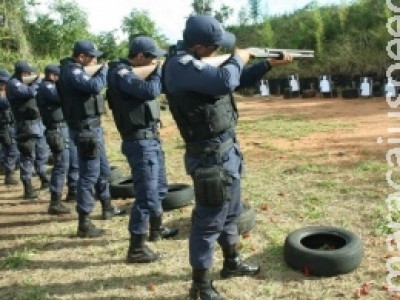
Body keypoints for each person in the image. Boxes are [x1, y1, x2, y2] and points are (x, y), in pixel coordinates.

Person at [163, 14, 293, 299]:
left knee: (231, 214)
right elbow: (225, 79)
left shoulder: (198, 64)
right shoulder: (179, 66)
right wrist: (239, 56)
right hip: (208, 157)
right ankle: (200, 286)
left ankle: (231, 263)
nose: (219, 51)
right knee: (208, 222)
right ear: (199, 46)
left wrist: (267, 63)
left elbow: (235, 81)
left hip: (226, 153)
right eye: (216, 47)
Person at [107, 36, 179, 263]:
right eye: (151, 57)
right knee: (146, 195)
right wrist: (158, 70)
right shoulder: (121, 73)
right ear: (139, 57)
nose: (155, 61)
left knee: (159, 188)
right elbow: (149, 91)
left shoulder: (135, 71)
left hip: (151, 139)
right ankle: (136, 248)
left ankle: (156, 230)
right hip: (139, 142)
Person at [58, 40, 124, 238]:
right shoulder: (72, 71)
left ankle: (107, 206)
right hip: (85, 130)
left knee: (103, 170)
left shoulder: (76, 69)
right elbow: (94, 87)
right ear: (80, 57)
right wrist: (103, 70)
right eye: (92, 57)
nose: (96, 59)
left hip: (93, 129)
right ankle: (84, 222)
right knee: (88, 175)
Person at [6, 60, 49, 199]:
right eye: (27, 73)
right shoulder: (13, 83)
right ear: (21, 73)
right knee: (27, 156)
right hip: (25, 126)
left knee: (42, 154)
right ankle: (28, 187)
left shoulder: (27, 82)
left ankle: (44, 179)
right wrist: (37, 81)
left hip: (38, 124)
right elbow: (29, 92)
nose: (29, 75)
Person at [36, 64, 72, 215]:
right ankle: (55, 202)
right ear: (52, 76)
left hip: (60, 129)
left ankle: (60, 198)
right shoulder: (47, 87)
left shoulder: (48, 85)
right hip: (55, 130)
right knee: (61, 164)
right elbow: (60, 98)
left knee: (65, 162)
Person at [0, 69, 19, 186]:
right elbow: (6, 103)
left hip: (9, 125)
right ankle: (9, 174)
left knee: (8, 149)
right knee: (10, 150)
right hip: (5, 126)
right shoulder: (2, 96)